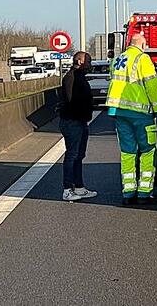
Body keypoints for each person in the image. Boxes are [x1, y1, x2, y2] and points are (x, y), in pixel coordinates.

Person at [105, 33, 157, 204]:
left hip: (120, 112)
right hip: (141, 113)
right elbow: (151, 85)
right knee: (148, 150)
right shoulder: (142, 59)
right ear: (142, 44)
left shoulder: (117, 59)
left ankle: (128, 192)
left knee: (127, 152)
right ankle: (144, 192)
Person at [60, 51, 97, 202]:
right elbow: (71, 100)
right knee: (72, 155)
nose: (90, 65)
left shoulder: (80, 77)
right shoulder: (71, 78)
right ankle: (67, 189)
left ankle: (80, 188)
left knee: (79, 156)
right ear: (80, 61)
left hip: (80, 122)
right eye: (88, 62)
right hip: (72, 122)